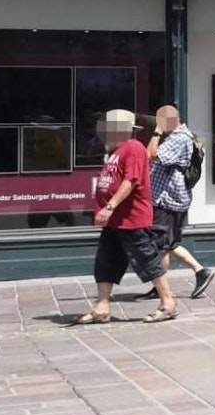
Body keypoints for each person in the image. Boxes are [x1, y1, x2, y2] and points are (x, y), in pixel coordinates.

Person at [69, 109, 178, 325]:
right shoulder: (116, 151)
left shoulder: (134, 148)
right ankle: (102, 307)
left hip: (131, 218)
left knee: (146, 258)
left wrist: (109, 206)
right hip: (115, 221)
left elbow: (132, 180)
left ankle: (168, 304)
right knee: (106, 261)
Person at [138, 105, 215, 301]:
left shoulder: (178, 139)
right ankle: (200, 271)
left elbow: (150, 154)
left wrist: (156, 133)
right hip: (171, 198)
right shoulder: (180, 136)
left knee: (162, 245)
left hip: (168, 199)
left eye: (159, 120)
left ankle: (161, 288)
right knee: (169, 243)